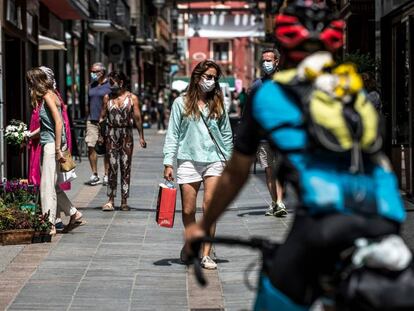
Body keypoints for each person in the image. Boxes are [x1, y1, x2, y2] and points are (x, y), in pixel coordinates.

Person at [185, 1, 406, 310]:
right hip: (387, 220)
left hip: (324, 224)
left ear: (284, 48)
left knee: (277, 293)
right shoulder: (355, 94)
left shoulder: (270, 95)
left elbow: (236, 173)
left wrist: (203, 224)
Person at [163, 60, 233, 270]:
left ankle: (206, 254)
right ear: (197, 77)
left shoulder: (218, 102)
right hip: (188, 159)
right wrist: (168, 162)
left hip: (214, 159)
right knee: (188, 209)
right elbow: (173, 134)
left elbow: (227, 134)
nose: (211, 81)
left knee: (210, 207)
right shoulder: (181, 103)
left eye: (214, 78)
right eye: (208, 76)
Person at [26, 68, 83, 235]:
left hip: (51, 147)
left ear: (36, 81)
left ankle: (49, 224)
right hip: (50, 144)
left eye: (30, 82)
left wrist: (58, 149)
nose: (29, 85)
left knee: (47, 187)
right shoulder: (50, 96)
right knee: (54, 185)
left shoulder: (47, 96)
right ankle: (73, 213)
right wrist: (30, 135)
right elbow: (47, 125)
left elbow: (59, 123)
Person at [99, 71, 147, 211]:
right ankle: (111, 199)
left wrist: (141, 136)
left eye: (112, 82)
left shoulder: (132, 98)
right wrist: (100, 135)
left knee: (126, 166)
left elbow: (137, 118)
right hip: (111, 133)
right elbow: (102, 117)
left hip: (126, 134)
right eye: (109, 82)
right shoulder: (107, 98)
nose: (110, 85)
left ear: (121, 82)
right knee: (112, 167)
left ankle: (124, 200)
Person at [251, 48, 287, 217]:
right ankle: (274, 202)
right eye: (264, 60)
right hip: (262, 137)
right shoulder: (257, 85)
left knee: (279, 170)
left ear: (276, 61)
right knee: (269, 171)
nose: (266, 63)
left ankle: (280, 202)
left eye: (269, 60)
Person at [85, 62, 110, 186]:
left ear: (102, 72)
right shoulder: (91, 85)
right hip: (92, 120)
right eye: (92, 71)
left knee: (106, 148)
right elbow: (88, 102)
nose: (92, 73)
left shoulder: (110, 85)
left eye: (95, 71)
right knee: (91, 145)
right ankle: (94, 174)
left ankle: (106, 174)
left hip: (106, 121)